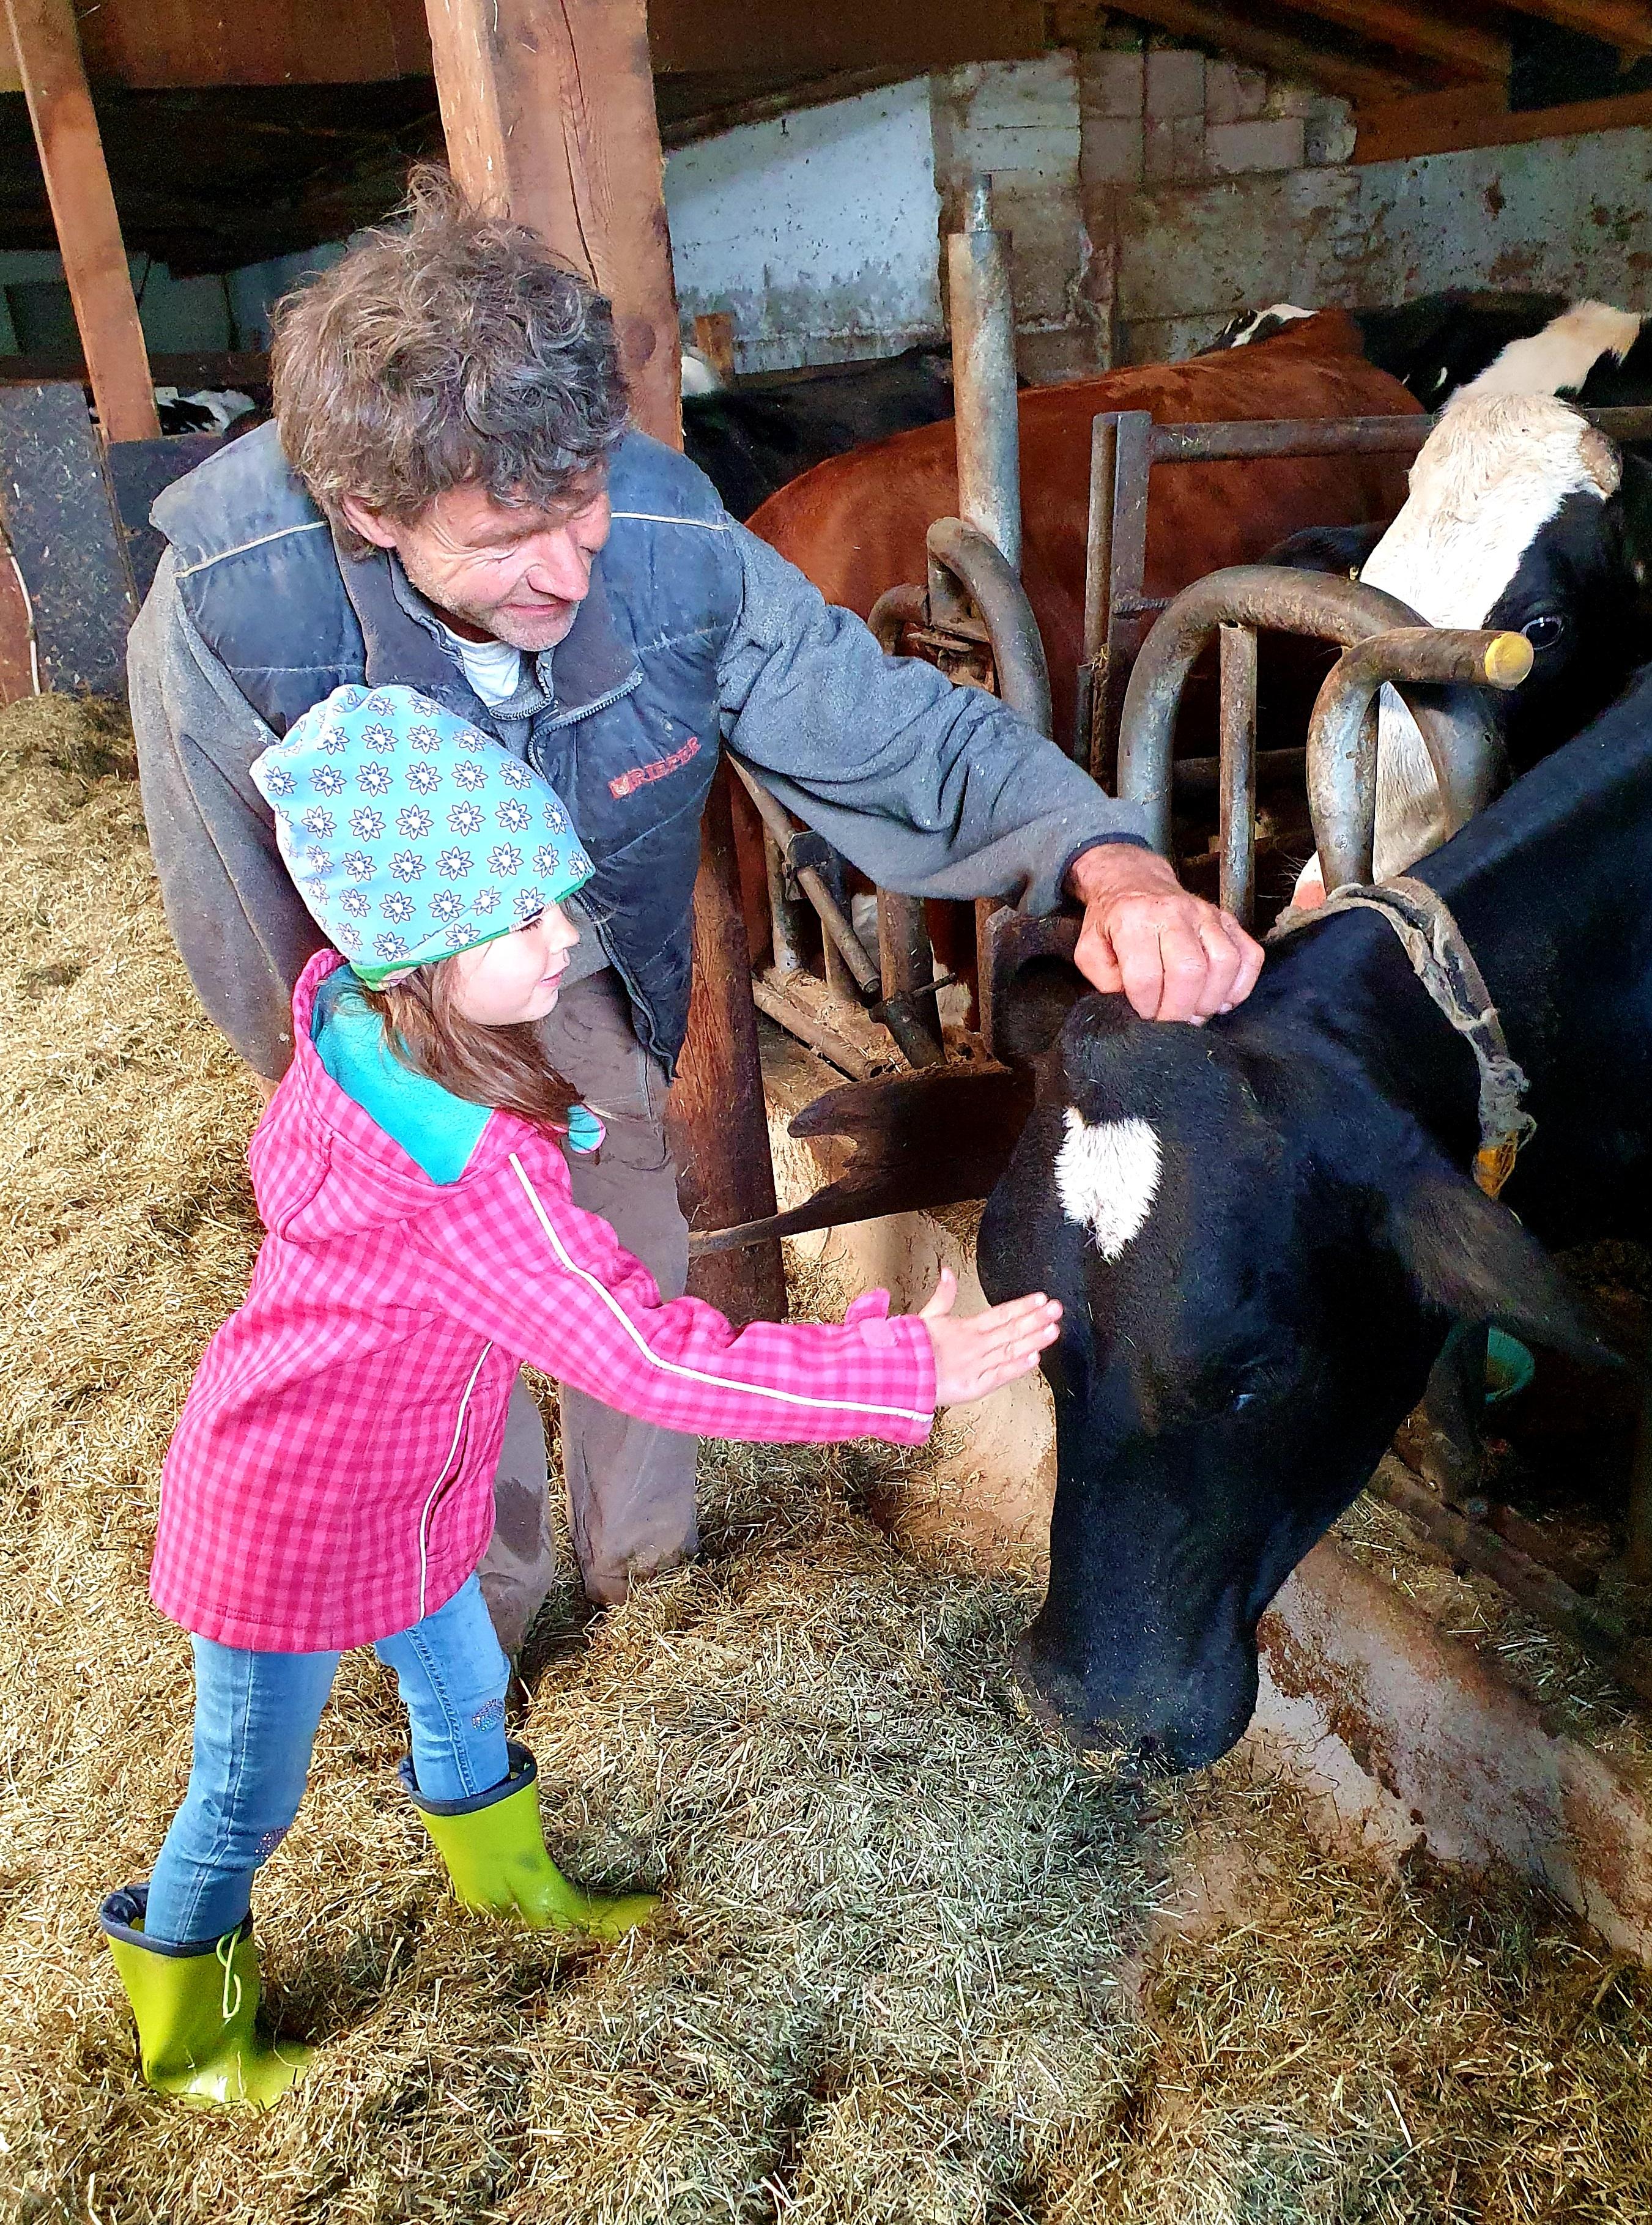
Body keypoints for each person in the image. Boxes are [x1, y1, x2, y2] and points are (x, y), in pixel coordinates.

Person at [128, 168, 1261, 1655]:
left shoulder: (670, 541)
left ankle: (646, 1589)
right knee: (444, 1323)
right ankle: (480, 1615)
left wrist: (1109, 860)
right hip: (386, 1004)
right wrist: (371, 1122)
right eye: (504, 538)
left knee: (631, 1246)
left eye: (580, 502)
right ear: (368, 510)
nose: (566, 568)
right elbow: (237, 918)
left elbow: (898, 733)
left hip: (578, 955)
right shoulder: (230, 608)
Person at [101, 686, 1063, 2109]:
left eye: (556, 895)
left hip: (408, 1484)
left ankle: (509, 1888)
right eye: (518, 917)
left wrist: (562, 1114)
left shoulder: (361, 1023)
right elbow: (652, 1361)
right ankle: (193, 2039)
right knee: (246, 1792)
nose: (564, 934)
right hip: (284, 1514)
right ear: (420, 952)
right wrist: (896, 1371)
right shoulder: (469, 1184)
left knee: (464, 1693)